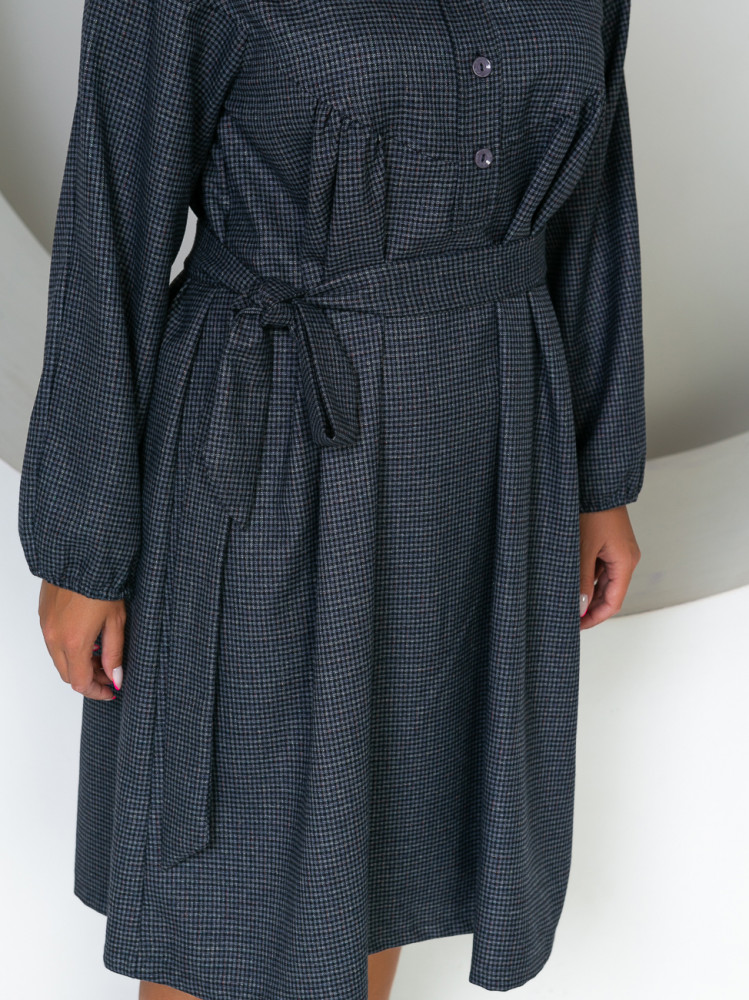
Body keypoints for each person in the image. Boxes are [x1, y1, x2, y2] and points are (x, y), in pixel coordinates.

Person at [18, 0, 645, 998]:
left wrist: (598, 477)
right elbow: (112, 224)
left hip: (481, 449)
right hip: (265, 450)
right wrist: (84, 545)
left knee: (378, 851)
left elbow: (593, 198)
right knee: (229, 886)